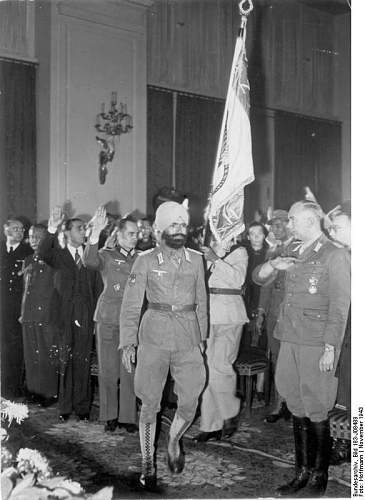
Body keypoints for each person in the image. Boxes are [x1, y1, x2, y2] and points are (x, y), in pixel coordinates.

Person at [256, 200, 350, 497]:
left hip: (315, 341)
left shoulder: (334, 255)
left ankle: (319, 474)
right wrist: (273, 264)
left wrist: (330, 348)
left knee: (317, 406)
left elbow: (339, 306)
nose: (288, 225)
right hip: (289, 338)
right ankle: (301, 471)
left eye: (293, 220)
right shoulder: (291, 252)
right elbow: (258, 278)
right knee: (295, 403)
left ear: (310, 221)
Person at [119, 201, 207, 490]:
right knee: (149, 402)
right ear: (159, 230)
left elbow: (202, 304)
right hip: (154, 335)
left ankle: (173, 439)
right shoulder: (144, 260)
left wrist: (202, 339)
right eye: (174, 224)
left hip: (188, 336)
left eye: (183, 225)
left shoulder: (196, 259)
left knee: (191, 396)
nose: (180, 230)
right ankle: (148, 463)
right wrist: (128, 342)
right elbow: (131, 305)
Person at [38, 207, 99, 422]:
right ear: (68, 233)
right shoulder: (59, 255)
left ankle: (82, 407)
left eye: (85, 228)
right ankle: (65, 407)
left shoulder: (91, 255)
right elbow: (41, 253)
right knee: (64, 360)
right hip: (63, 316)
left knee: (83, 361)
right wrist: (52, 228)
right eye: (79, 228)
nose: (84, 231)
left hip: (85, 315)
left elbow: (98, 286)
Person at [84, 207, 139, 433]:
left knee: (129, 370)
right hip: (107, 318)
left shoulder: (142, 258)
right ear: (118, 235)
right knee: (108, 370)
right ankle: (109, 415)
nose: (135, 238)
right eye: (130, 234)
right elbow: (89, 261)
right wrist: (95, 233)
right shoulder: (107, 256)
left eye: (137, 234)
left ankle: (127, 417)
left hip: (131, 321)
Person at [194, 237, 248, 442]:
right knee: (207, 368)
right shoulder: (207, 249)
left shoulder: (239, 251)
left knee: (221, 365)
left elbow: (238, 279)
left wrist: (215, 259)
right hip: (207, 311)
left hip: (229, 312)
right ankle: (210, 424)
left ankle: (230, 410)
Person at [253, 209, 293, 422]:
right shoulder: (272, 252)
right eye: (273, 225)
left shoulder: (299, 248)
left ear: (289, 224)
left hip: (293, 314)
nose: (274, 230)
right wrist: (261, 312)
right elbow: (266, 287)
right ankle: (280, 403)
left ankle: (294, 403)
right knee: (277, 358)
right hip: (274, 313)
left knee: (294, 359)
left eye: (278, 225)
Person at [20, 224, 59, 405]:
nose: (34, 240)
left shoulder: (53, 259)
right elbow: (25, 290)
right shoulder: (28, 260)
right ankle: (34, 390)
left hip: (47, 314)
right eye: (31, 236)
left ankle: (48, 393)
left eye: (38, 237)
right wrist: (22, 313)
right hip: (29, 313)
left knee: (45, 355)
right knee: (31, 355)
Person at [327, 201, 351, 465]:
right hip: (347, 334)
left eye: (339, 227)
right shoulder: (343, 255)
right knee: (345, 389)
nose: (333, 232)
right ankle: (344, 443)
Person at [1, 218, 33, 398]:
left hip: (17, 307)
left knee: (15, 348)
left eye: (22, 229)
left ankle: (13, 387)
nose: (20, 232)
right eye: (15, 228)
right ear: (5, 230)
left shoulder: (27, 252)